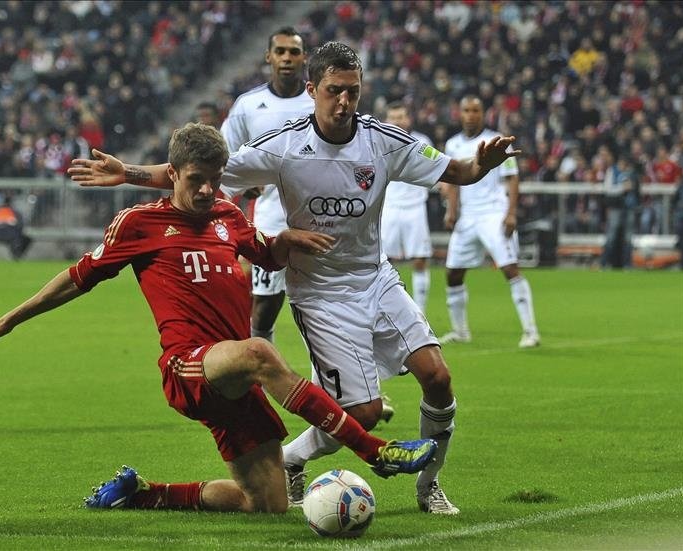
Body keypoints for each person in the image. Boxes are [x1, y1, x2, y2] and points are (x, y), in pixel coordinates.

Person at [68, 42, 521, 515]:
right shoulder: (283, 145)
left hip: (375, 277)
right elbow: (204, 173)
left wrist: (481, 165)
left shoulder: (384, 141)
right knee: (362, 414)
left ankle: (429, 486)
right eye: (334, 91)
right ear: (313, 91)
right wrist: (130, 174)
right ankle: (291, 459)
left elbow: (460, 170)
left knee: (439, 377)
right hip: (320, 291)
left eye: (353, 91)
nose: (344, 102)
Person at [0, 123, 437, 514]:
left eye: (215, 178)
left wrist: (285, 241)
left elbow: (265, 256)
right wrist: (10, 320)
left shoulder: (229, 214)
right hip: (189, 367)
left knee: (264, 506)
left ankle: (142, 493)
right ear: (174, 173)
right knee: (259, 351)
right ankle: (376, 451)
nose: (207, 189)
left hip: (234, 381)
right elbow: (75, 277)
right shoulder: (138, 224)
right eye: (195, 180)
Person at [220, 27, 314, 345]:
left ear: (304, 58)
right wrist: (243, 184)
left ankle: (339, 390)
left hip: (318, 217)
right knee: (263, 308)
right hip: (271, 220)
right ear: (269, 56)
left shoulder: (319, 101)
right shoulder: (248, 105)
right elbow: (223, 157)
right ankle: (258, 379)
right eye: (281, 51)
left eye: (294, 52)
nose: (287, 58)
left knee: (323, 310)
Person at [439, 95, 540, 349]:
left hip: (494, 213)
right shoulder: (453, 144)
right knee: (453, 273)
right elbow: (452, 180)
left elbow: (512, 178)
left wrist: (511, 213)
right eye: (466, 110)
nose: (471, 115)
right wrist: (452, 210)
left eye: (475, 110)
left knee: (509, 268)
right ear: (459, 113)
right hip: (468, 216)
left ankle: (530, 331)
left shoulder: (497, 140)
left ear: (483, 114)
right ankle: (460, 331)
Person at [381, 101, 434, 312]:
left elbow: (436, 169)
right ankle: (389, 309)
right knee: (384, 262)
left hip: (415, 208)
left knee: (420, 260)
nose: (397, 121)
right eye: (393, 117)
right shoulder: (379, 142)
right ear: (386, 120)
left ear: (408, 119)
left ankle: (419, 312)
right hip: (389, 208)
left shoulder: (422, 142)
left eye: (401, 116)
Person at [601, 154, 639, 269]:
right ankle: (605, 263)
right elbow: (608, 190)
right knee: (611, 236)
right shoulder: (612, 171)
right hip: (615, 207)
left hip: (629, 207)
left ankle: (627, 264)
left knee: (628, 237)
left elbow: (636, 189)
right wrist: (622, 188)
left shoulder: (632, 174)